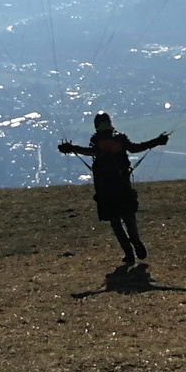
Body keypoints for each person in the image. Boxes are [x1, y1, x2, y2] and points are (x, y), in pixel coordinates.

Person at [57, 112, 169, 264]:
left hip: (105, 187)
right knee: (128, 215)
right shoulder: (120, 138)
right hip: (123, 183)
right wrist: (157, 141)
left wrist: (70, 148)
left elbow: (90, 152)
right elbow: (136, 148)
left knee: (115, 221)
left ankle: (128, 253)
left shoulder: (96, 140)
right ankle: (135, 240)